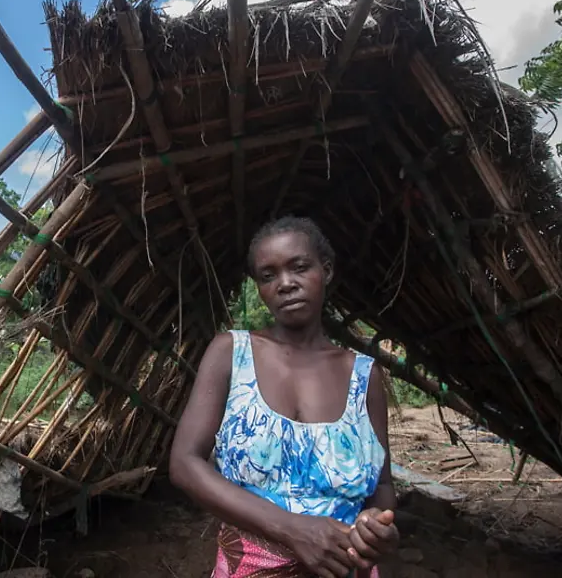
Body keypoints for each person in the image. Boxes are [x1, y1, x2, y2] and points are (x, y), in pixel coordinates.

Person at [170, 216, 398, 578]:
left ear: (326, 271)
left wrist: (375, 526)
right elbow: (184, 463)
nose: (286, 284)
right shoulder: (231, 353)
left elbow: (382, 484)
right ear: (258, 287)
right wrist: (291, 529)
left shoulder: (364, 376)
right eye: (268, 275)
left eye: (300, 267)